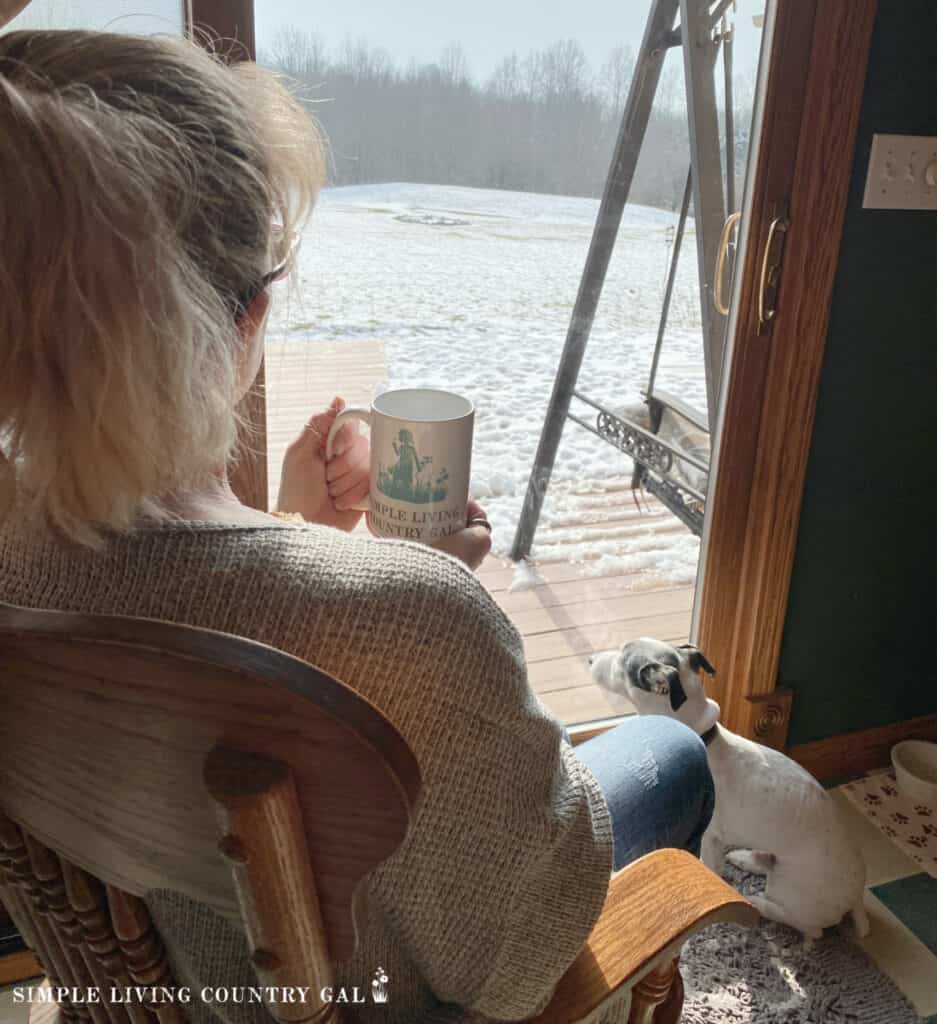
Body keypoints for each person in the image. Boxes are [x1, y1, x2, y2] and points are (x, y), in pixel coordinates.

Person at [0, 21, 713, 1024]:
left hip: (148, 984)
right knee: (671, 757)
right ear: (246, 315)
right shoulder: (424, 624)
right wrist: (450, 592)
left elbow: (174, 593)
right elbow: (505, 975)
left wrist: (288, 528)